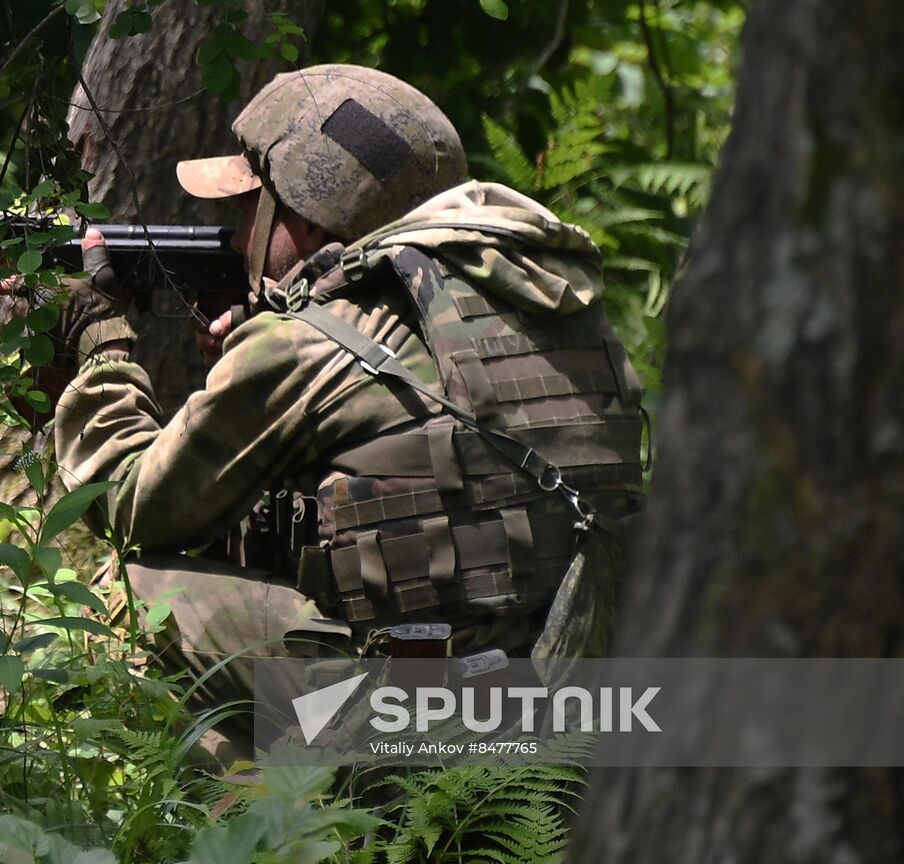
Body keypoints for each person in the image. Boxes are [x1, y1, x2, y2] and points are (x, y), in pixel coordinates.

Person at [53, 64, 644, 756]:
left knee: (133, 592)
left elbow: (132, 504)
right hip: (582, 698)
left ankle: (278, 823)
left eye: (250, 210)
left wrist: (102, 350)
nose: (241, 239)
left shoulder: (308, 343)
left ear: (301, 216)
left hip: (431, 722)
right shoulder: (557, 309)